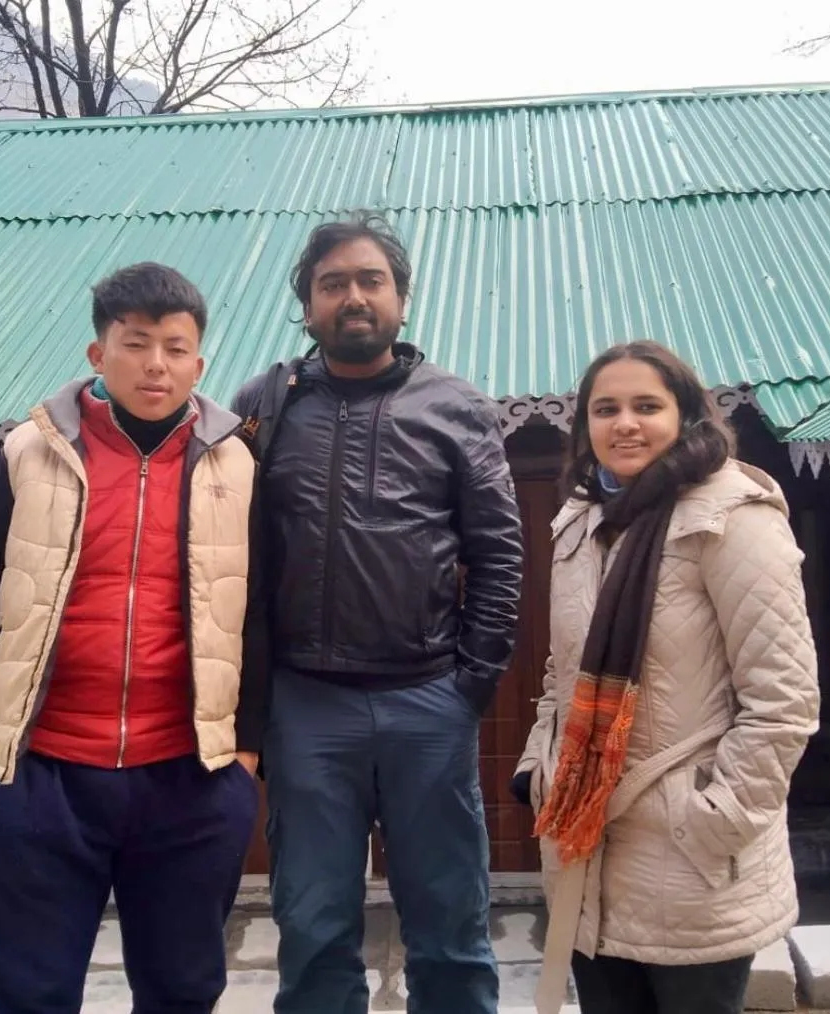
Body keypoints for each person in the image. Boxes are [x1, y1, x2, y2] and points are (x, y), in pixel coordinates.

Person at [0, 262, 266, 1014]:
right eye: (136, 343)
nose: (156, 364)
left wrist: (241, 762)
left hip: (189, 776)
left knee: (182, 991)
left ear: (200, 362)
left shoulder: (236, 465)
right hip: (43, 772)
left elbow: (259, 620)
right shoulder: (30, 454)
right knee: (23, 994)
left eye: (175, 348)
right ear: (99, 354)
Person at [232, 213, 525, 1014]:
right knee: (313, 922)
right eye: (332, 284)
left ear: (400, 296)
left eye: (370, 280)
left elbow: (499, 552)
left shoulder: (455, 406)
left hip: (427, 701)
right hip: (306, 707)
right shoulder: (262, 405)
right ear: (306, 303)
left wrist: (471, 683)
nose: (352, 297)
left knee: (449, 924)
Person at [512, 341, 820, 1014]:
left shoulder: (730, 518)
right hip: (585, 841)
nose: (625, 423)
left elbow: (784, 699)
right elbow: (561, 666)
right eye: (606, 408)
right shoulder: (580, 519)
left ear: (685, 416)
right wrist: (542, 759)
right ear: (584, 426)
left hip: (689, 859)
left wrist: (716, 817)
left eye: (646, 406)